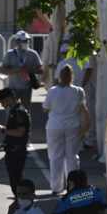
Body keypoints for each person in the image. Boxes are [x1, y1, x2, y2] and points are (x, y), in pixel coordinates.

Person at [43, 64, 89, 194]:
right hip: (72, 126)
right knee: (72, 157)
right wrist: (85, 126)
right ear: (72, 77)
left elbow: (45, 108)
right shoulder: (79, 91)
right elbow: (83, 109)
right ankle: (73, 186)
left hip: (55, 126)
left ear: (59, 77)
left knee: (55, 157)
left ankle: (56, 187)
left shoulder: (52, 90)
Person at [0, 88, 32, 193]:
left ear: (9, 99)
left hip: (17, 151)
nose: (2, 105)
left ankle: (21, 198)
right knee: (14, 178)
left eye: (2, 101)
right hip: (12, 150)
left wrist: (2, 130)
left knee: (16, 179)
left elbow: (20, 132)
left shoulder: (19, 112)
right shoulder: (14, 111)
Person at [2, 31, 44, 104]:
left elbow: (41, 70)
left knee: (26, 111)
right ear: (17, 42)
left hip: (27, 88)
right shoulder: (10, 54)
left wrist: (30, 70)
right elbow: (3, 70)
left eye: (27, 40)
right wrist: (16, 70)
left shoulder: (33, 53)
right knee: (11, 110)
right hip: (13, 88)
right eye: (24, 41)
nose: (26, 42)